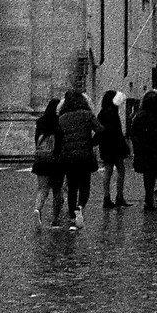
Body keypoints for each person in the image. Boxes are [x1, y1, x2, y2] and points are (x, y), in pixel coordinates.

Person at [54, 88, 98, 230]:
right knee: (85, 185)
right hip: (85, 155)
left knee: (72, 187)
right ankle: (80, 207)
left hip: (68, 157)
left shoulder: (61, 118)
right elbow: (101, 130)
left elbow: (58, 139)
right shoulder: (87, 115)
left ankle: (73, 218)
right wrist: (92, 142)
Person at [134, 88, 157, 210]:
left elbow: (133, 133)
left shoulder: (139, 116)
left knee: (147, 175)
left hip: (144, 149)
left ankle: (148, 199)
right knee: (156, 171)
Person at [32, 97, 63, 225]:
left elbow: (36, 140)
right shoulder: (60, 122)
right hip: (56, 161)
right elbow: (61, 143)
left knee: (42, 189)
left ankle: (37, 209)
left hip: (41, 160)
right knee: (57, 190)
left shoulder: (40, 122)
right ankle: (55, 219)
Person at [97, 91, 130, 208]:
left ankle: (106, 197)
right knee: (121, 169)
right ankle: (119, 197)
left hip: (105, 146)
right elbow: (117, 132)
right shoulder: (113, 113)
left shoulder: (102, 113)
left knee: (108, 170)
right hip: (116, 146)